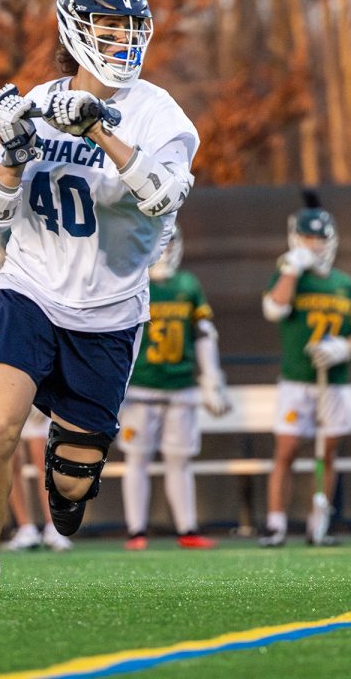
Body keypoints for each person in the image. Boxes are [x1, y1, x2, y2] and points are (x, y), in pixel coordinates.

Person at [0, 0, 197, 602]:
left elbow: (161, 195)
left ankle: (72, 453)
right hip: (29, 287)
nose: (121, 42)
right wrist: (10, 153)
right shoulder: (37, 99)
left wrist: (98, 130)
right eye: (109, 29)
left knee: (72, 491)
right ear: (75, 31)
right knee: (0, 424)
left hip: (109, 311)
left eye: (130, 30)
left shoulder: (161, 115)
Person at [259, 204, 351, 547]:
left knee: (328, 453)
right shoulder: (290, 276)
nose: (314, 245)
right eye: (307, 238)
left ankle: (317, 524)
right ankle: (276, 525)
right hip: (297, 379)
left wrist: (344, 347)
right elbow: (274, 309)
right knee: (287, 449)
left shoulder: (345, 285)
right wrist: (291, 270)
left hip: (333, 382)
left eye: (319, 238)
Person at [119, 226, 231, 550]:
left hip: (181, 387)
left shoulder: (188, 285)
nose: (164, 251)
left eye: (168, 244)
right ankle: (136, 531)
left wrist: (212, 379)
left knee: (179, 460)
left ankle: (187, 528)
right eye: (158, 244)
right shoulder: (132, 282)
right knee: (136, 459)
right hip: (141, 388)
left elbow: (204, 334)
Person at [0, 233, 74, 553]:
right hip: (12, 386)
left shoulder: (54, 289)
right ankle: (26, 525)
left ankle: (53, 526)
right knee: (7, 453)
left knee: (45, 453)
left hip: (41, 386)